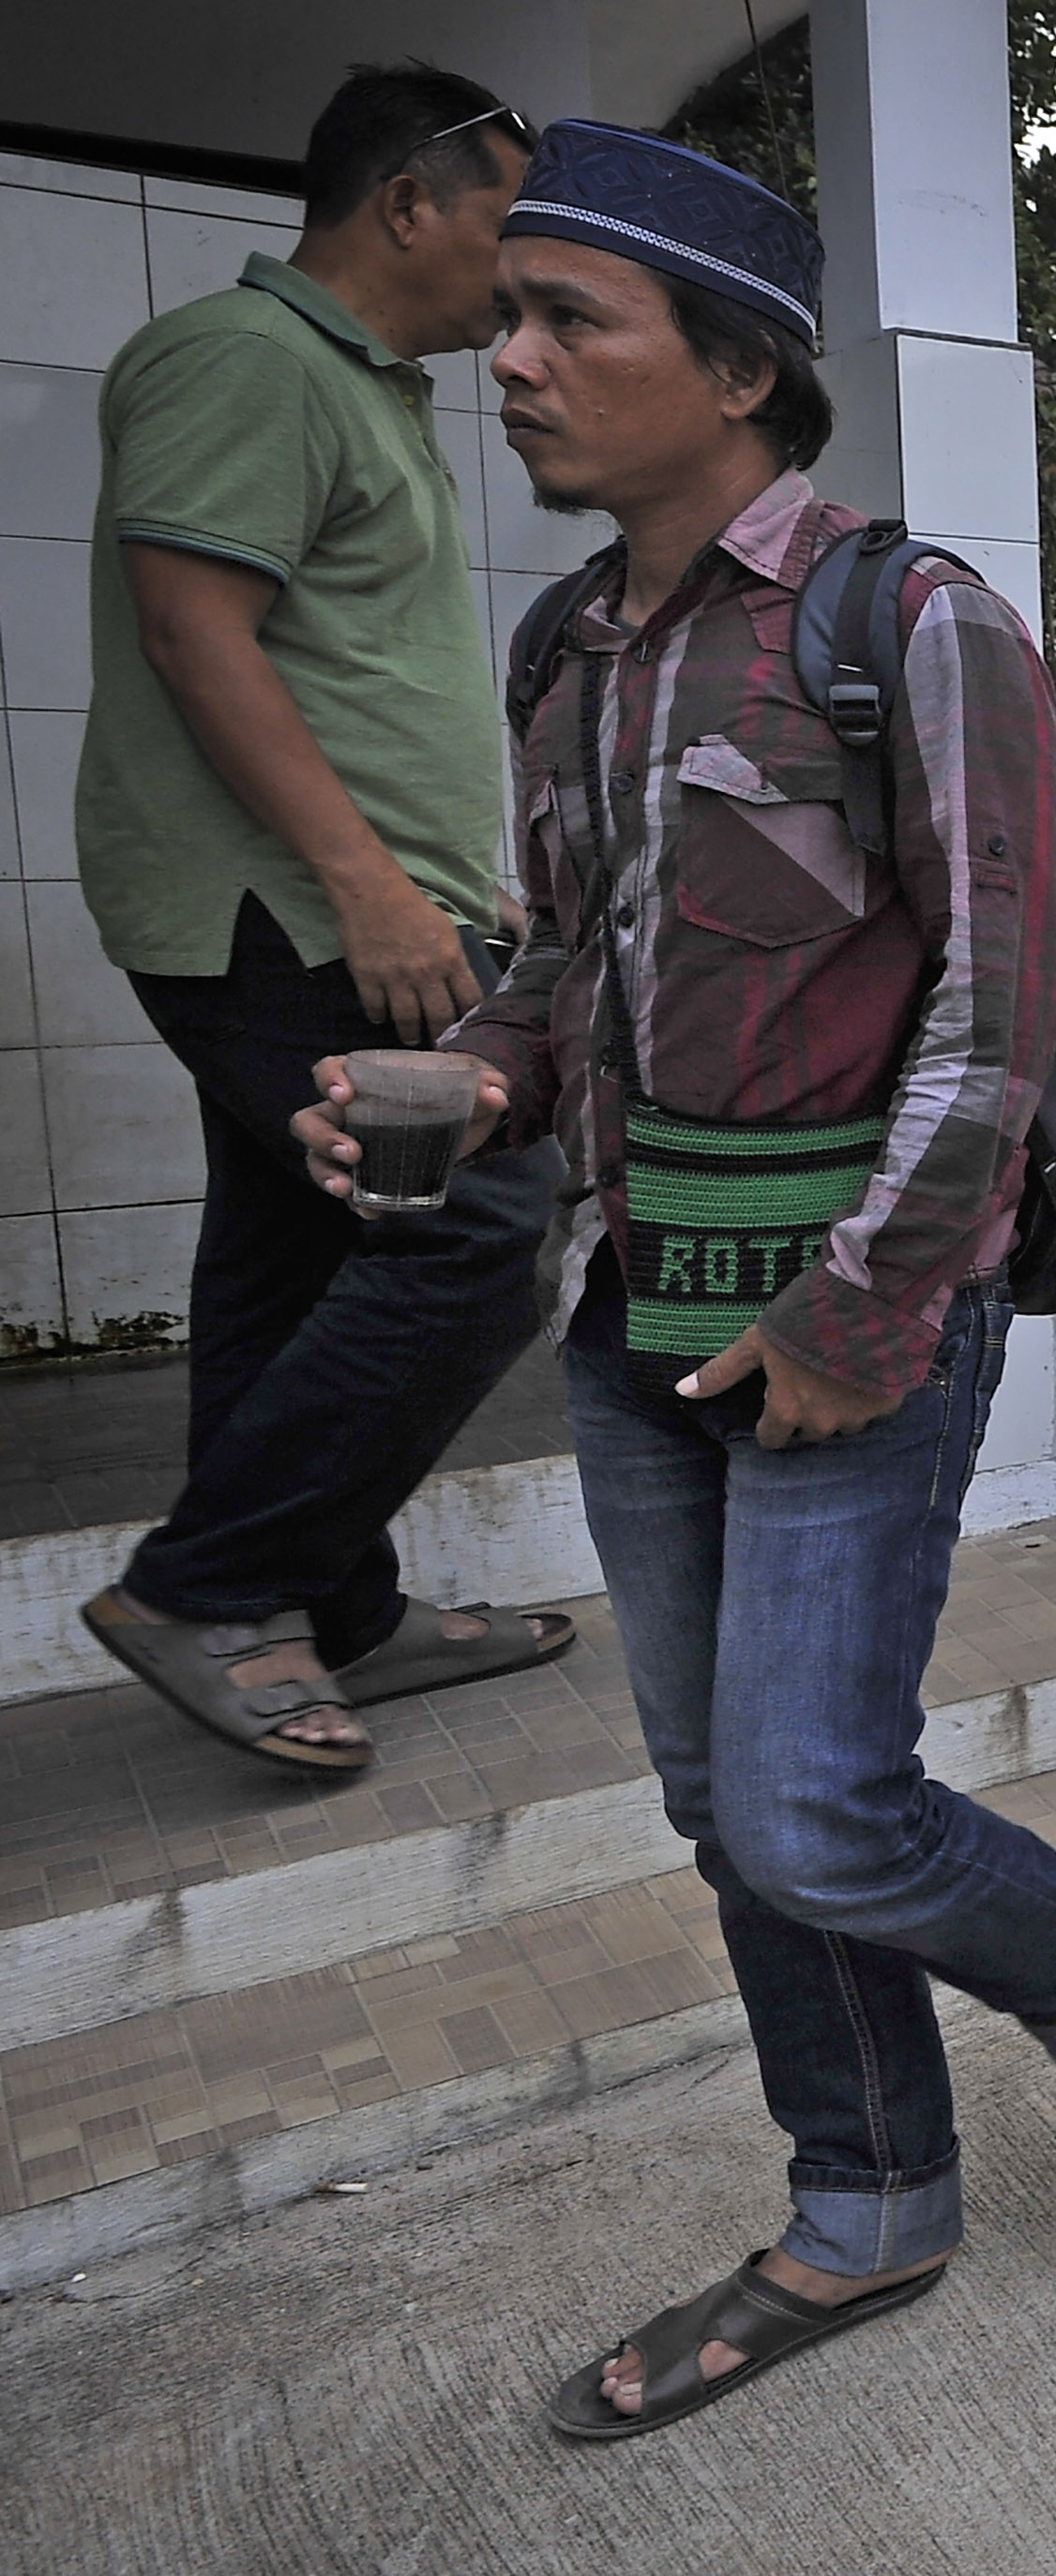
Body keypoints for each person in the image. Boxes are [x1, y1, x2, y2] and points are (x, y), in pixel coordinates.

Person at [288, 122, 1056, 2438]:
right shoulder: (569, 647)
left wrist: (851, 1318)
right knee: (731, 1812)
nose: (503, 360)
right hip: (633, 1315)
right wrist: (472, 1088)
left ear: (735, 368)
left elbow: (996, 1024)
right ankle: (869, 2193)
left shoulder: (910, 627)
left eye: (563, 320)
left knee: (819, 1803)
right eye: (502, 312)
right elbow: (559, 982)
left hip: (850, 1323)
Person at [69, 67, 576, 1774]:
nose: (519, 274)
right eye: (507, 219)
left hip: (336, 897)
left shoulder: (355, 389)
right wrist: (370, 883)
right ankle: (213, 1583)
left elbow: (341, 671)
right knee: (478, 1223)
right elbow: (192, 635)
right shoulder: (249, 362)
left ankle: (332, 1607)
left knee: (290, 1258)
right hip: (282, 910)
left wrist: (444, 867)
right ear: (410, 202)